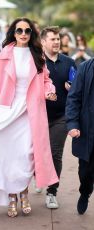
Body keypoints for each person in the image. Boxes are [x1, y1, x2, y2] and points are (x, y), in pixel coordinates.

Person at [0, 17, 58, 218]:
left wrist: (49, 91)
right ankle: (12, 197)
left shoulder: (38, 55)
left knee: (26, 156)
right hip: (7, 113)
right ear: (13, 32)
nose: (23, 34)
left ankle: (24, 192)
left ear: (31, 34)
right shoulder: (4, 55)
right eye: (19, 31)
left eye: (27, 31)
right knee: (8, 158)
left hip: (30, 113)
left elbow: (46, 80)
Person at [38, 26, 76, 209]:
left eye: (58, 39)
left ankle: (52, 191)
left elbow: (76, 85)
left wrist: (72, 86)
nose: (56, 42)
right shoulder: (36, 62)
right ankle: (39, 174)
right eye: (52, 39)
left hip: (61, 116)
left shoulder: (69, 62)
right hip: (38, 116)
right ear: (43, 42)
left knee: (55, 153)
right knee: (35, 152)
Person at [66, 58, 94, 215]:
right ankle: (85, 191)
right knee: (85, 172)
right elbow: (73, 97)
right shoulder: (85, 68)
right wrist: (72, 124)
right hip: (88, 130)